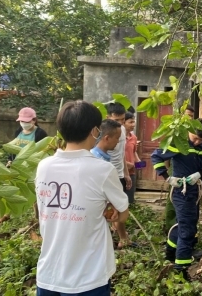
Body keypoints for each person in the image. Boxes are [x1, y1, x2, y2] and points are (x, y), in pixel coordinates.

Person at [35, 100, 129, 296]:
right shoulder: (102, 170)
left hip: (48, 273)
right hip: (88, 277)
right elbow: (122, 214)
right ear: (95, 131)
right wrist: (112, 213)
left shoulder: (44, 166)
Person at [151, 118, 202, 281]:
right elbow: (156, 157)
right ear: (189, 131)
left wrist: (200, 173)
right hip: (181, 191)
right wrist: (167, 177)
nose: (198, 142)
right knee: (188, 231)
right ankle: (181, 270)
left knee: (182, 225)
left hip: (195, 190)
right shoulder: (179, 141)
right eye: (195, 138)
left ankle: (170, 254)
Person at [0, 107, 49, 225]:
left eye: (27, 121)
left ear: (34, 120)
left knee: (33, 192)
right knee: (13, 190)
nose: (24, 124)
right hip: (18, 166)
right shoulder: (18, 132)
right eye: (22, 121)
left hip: (32, 167)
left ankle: (38, 217)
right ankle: (6, 214)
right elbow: (13, 149)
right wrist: (10, 160)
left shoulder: (40, 133)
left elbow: (43, 151)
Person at [105, 103, 134, 249]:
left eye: (123, 120)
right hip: (106, 175)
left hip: (119, 174)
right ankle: (120, 238)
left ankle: (122, 238)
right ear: (108, 117)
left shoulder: (122, 131)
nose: (121, 123)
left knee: (119, 207)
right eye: (117, 120)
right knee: (111, 208)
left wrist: (126, 174)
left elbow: (121, 153)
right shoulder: (103, 133)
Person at [124, 112, 140, 204]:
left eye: (134, 122)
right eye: (130, 122)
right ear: (123, 122)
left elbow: (134, 152)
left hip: (132, 173)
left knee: (129, 200)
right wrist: (126, 164)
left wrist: (138, 161)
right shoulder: (118, 138)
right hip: (120, 173)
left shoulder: (133, 137)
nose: (133, 125)